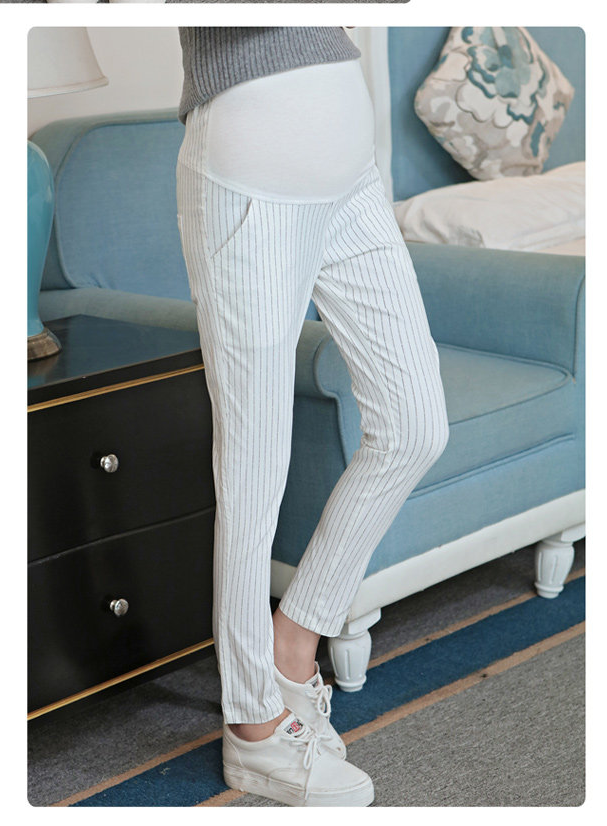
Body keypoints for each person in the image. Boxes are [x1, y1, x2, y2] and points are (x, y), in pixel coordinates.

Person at [175, 26, 449, 807]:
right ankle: (253, 725)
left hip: (351, 180)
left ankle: (292, 646)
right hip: (247, 180)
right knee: (255, 469)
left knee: (416, 424)